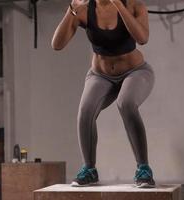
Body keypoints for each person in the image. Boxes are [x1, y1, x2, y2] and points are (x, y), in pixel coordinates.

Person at [51, 0, 155, 188]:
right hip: (100, 75)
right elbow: (57, 45)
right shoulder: (83, 10)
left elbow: (142, 38)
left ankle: (143, 169)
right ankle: (89, 170)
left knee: (126, 103)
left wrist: (120, 6)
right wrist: (72, 11)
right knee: (85, 111)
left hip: (136, 71)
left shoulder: (133, 5)